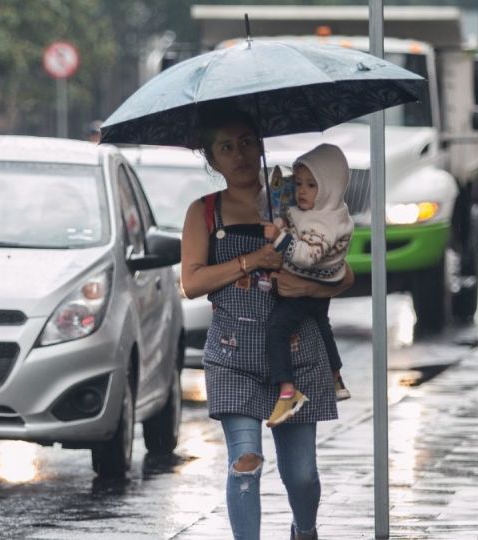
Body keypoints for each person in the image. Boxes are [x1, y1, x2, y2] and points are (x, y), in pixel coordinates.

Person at [180, 106, 354, 540]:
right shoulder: (203, 213)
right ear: (212, 158)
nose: (238, 155)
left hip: (297, 356)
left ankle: (305, 530)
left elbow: (345, 273)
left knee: (301, 477)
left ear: (260, 146)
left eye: (245, 143)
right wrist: (251, 260)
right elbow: (191, 282)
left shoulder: (297, 201)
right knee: (245, 464)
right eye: (225, 147)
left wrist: (310, 289)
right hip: (232, 355)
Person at [262, 144, 354, 428]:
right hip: (324, 281)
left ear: (329, 187)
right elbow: (294, 223)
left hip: (309, 280)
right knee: (321, 323)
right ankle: (335, 375)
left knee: (277, 329)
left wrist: (278, 238)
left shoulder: (323, 221)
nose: (302, 191)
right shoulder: (323, 209)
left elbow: (306, 255)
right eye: (299, 183)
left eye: (311, 185)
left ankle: (287, 390)